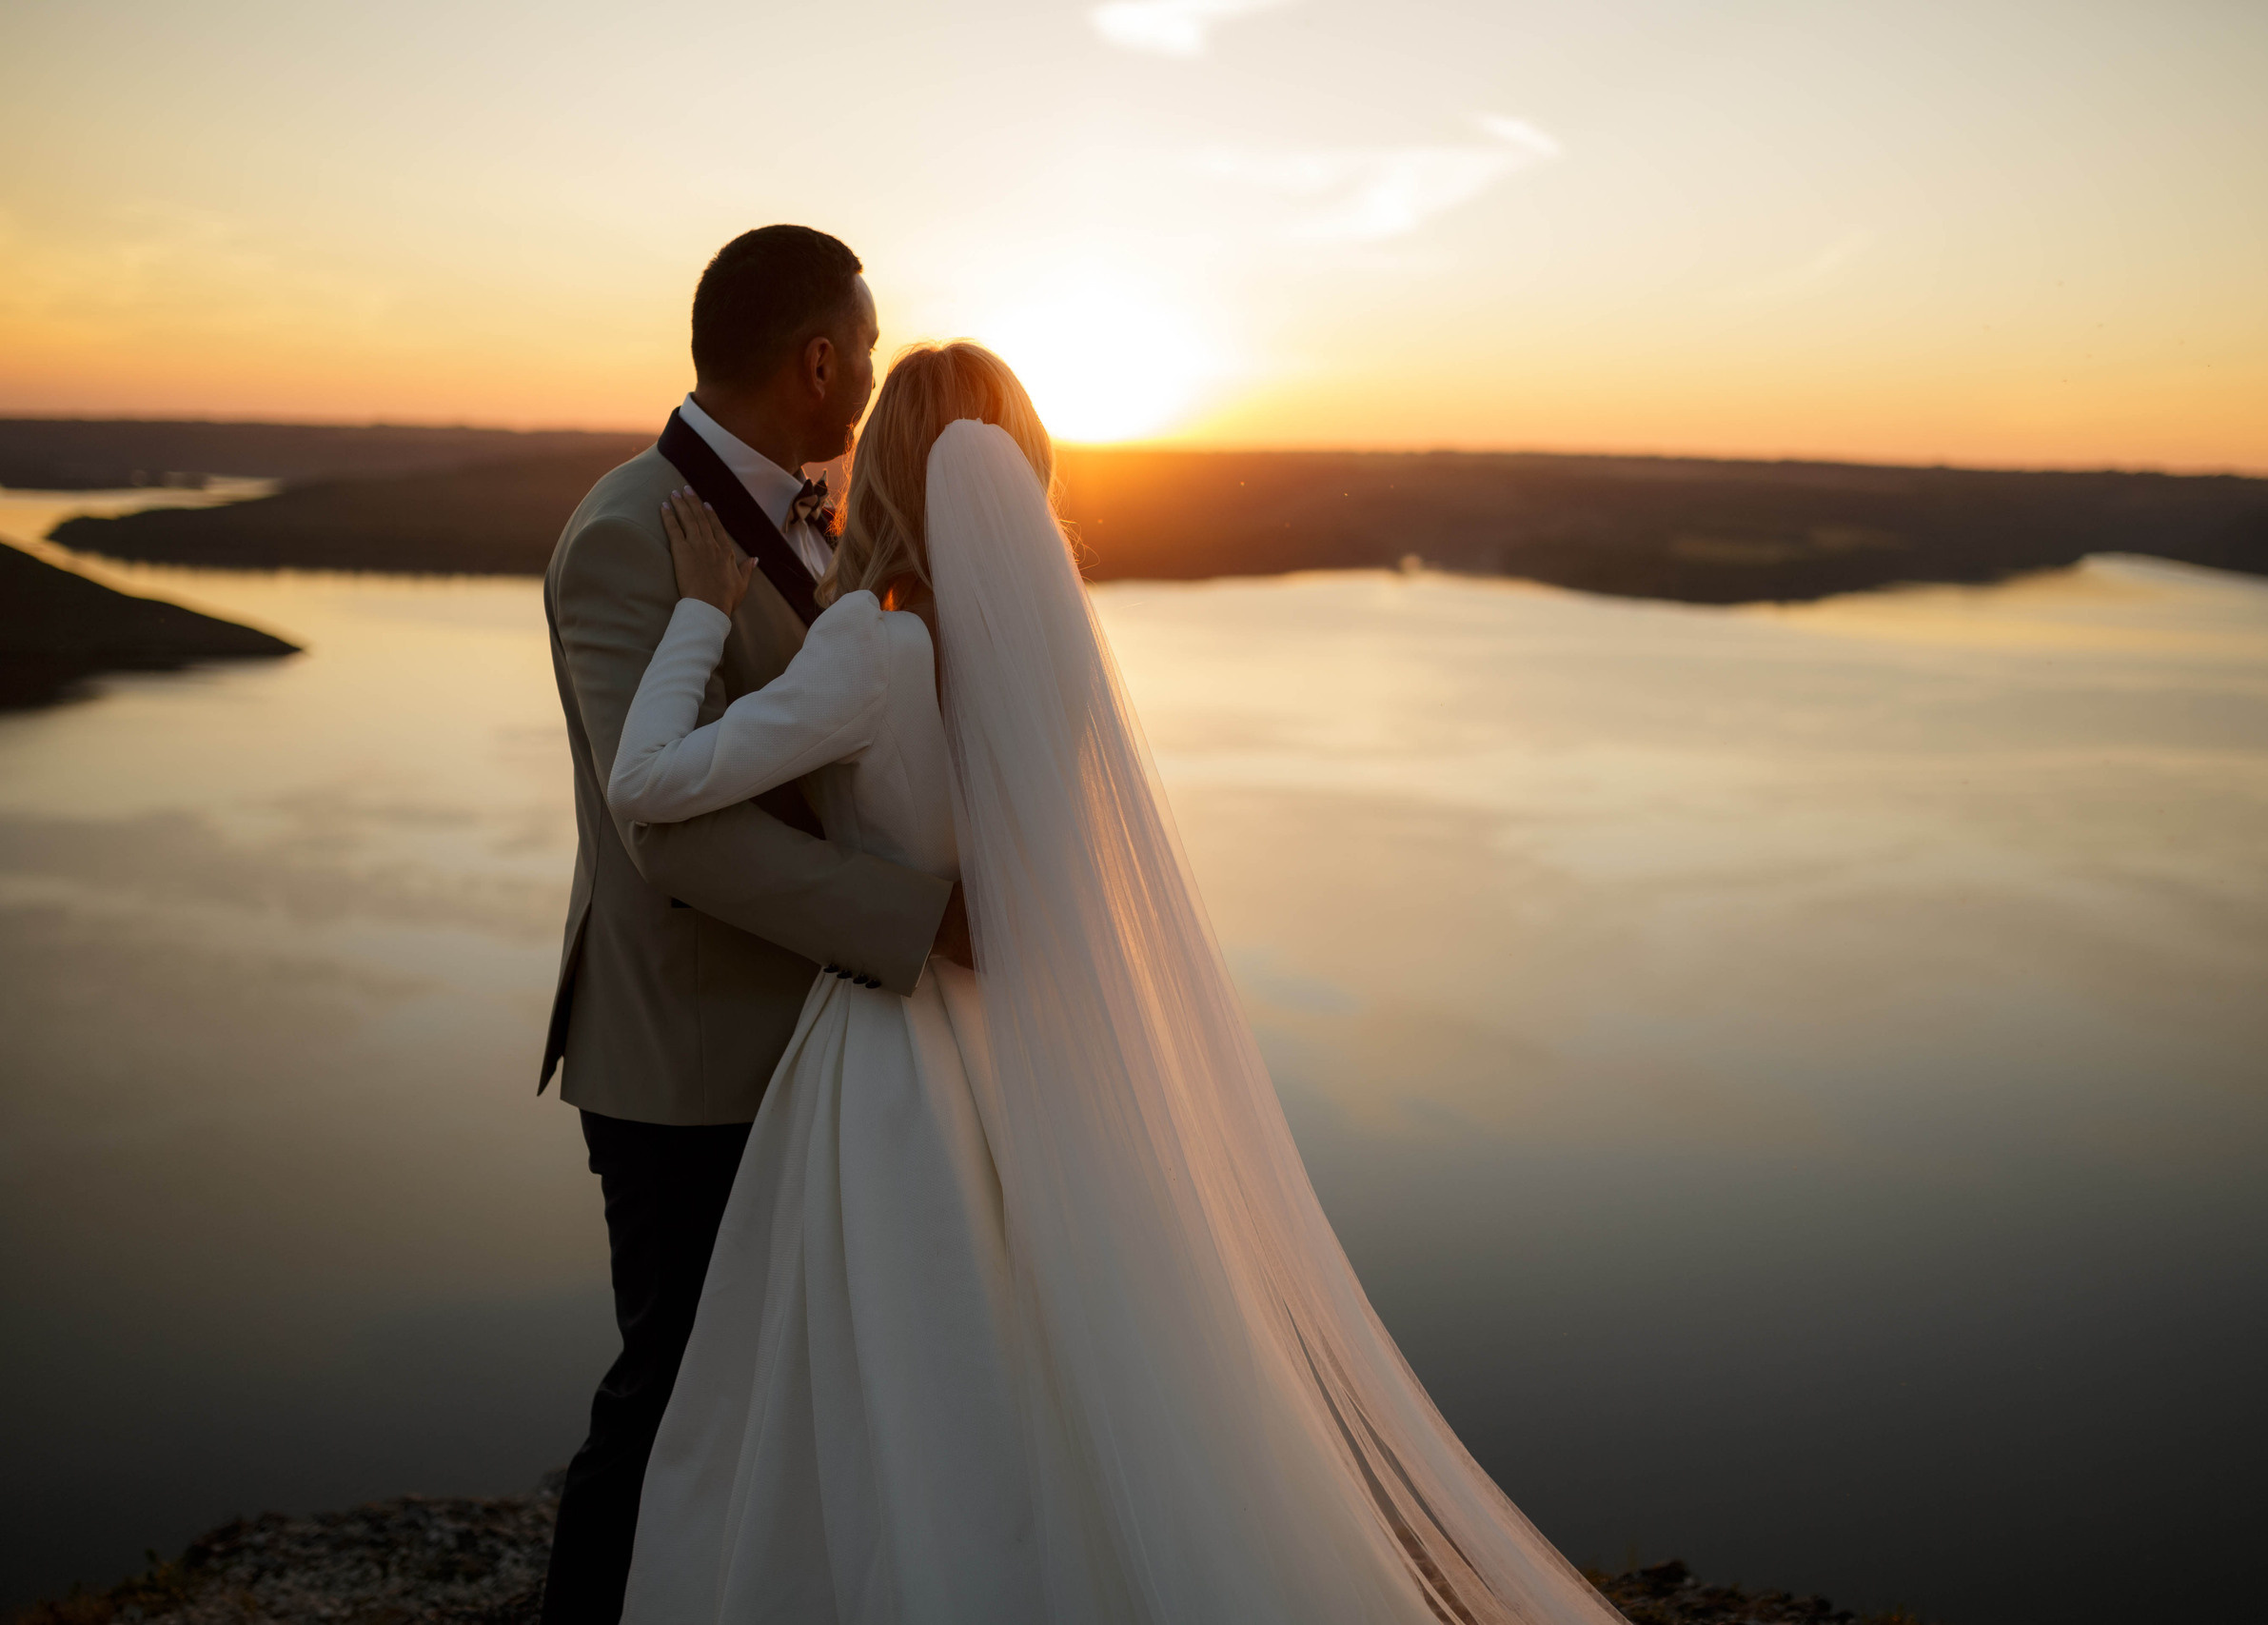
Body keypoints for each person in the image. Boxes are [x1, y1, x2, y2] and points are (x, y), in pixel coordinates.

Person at [602, 338, 1625, 1624]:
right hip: (1023, 1049)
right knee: (1036, 1361)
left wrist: (702, 606)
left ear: (894, 466)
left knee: (893, 1372)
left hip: (889, 1056)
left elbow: (646, 783)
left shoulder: (873, 647)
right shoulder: (1045, 654)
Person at [535, 225, 969, 1625]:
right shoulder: (624, 532)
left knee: (796, 1383)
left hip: (812, 1039)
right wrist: (915, 918)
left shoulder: (819, 512)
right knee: (675, 1386)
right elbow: (667, 833)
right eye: (872, 333)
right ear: (821, 358)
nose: (879, 355)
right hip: (690, 1054)